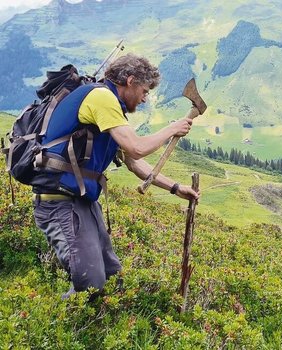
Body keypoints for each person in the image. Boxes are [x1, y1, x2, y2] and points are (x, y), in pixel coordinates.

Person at [32, 54, 200, 299]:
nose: (145, 98)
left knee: (111, 273)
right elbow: (136, 147)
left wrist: (175, 187)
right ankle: (53, 325)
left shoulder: (109, 107)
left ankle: (95, 323)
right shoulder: (101, 98)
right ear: (130, 81)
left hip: (82, 200)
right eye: (144, 90)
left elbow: (134, 163)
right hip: (58, 201)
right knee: (90, 281)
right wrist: (173, 128)